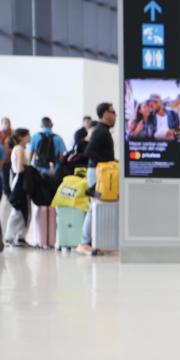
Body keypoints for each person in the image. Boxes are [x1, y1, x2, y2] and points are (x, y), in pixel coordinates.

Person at [76, 102, 116, 255]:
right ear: (105, 113)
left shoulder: (102, 131)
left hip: (101, 173)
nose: (115, 115)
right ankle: (84, 242)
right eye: (113, 112)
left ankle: (93, 241)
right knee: (95, 206)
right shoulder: (100, 131)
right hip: (98, 174)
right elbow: (89, 152)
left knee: (97, 206)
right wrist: (107, 164)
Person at [3, 129, 32, 246]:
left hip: (20, 181)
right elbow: (20, 168)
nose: (30, 137)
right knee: (18, 210)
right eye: (28, 135)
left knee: (25, 210)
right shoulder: (19, 149)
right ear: (22, 137)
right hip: (20, 181)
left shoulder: (20, 149)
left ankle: (20, 237)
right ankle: (9, 237)